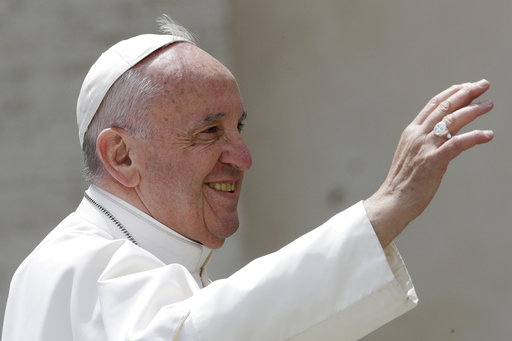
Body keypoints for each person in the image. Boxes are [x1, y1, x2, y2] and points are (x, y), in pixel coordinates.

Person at [2, 15, 494, 341]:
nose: (242, 156)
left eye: (238, 128)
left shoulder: (147, 263)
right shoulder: (75, 265)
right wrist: (386, 207)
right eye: (209, 131)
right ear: (122, 156)